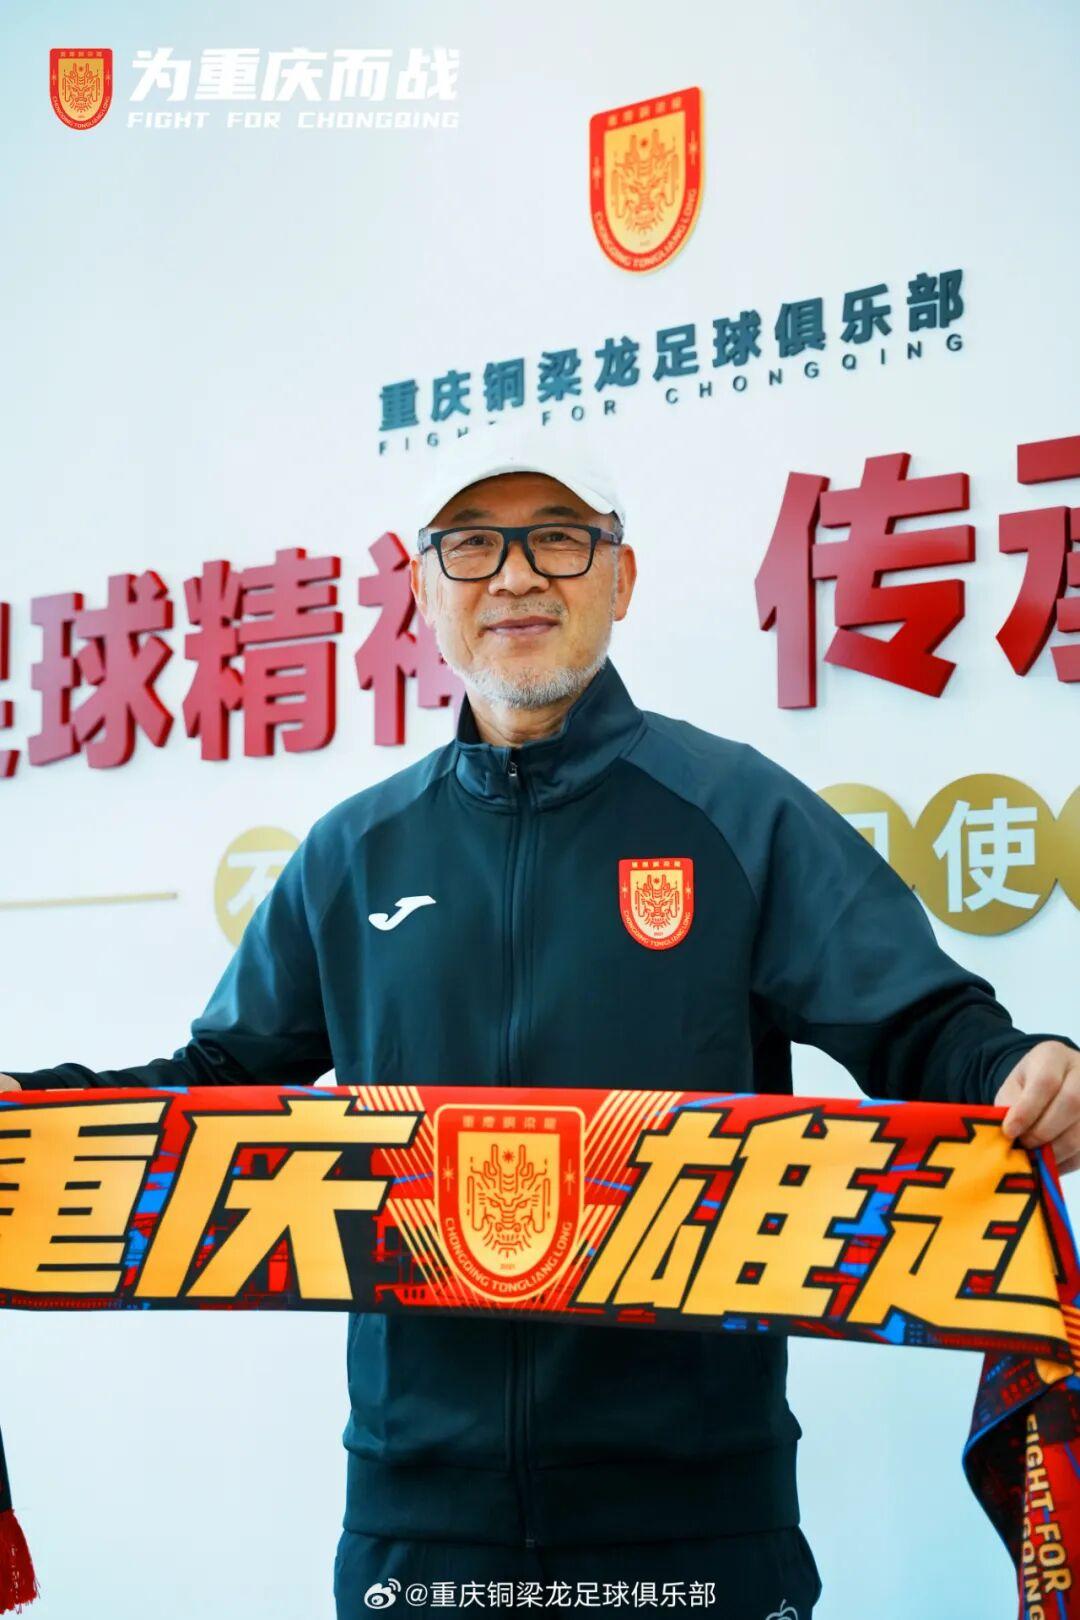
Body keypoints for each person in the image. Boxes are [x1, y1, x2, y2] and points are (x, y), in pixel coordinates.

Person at [5, 428, 1080, 1620]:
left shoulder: (738, 813)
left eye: (558, 539)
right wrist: (30, 1116)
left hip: (695, 1516)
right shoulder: (354, 853)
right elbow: (211, 1084)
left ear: (622, 576)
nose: (516, 575)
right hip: (419, 1523)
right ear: (423, 591)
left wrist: (1023, 1067)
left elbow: (925, 1027)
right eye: (473, 546)